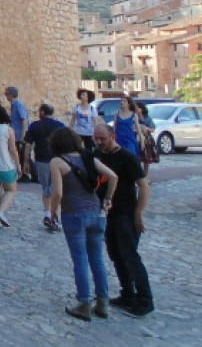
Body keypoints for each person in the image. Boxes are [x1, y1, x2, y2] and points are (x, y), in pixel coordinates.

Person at [49, 127, 119, 321]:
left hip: (74, 214)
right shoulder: (87, 157)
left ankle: (84, 302)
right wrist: (107, 199)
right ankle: (103, 302)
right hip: (96, 212)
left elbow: (58, 192)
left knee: (80, 259)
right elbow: (113, 176)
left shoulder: (57, 162)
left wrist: (52, 211)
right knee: (97, 258)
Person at [93, 123, 154, 317]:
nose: (99, 141)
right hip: (108, 213)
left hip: (125, 213)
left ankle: (145, 299)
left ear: (112, 136)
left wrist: (138, 213)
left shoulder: (126, 157)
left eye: (102, 138)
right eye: (97, 138)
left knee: (130, 256)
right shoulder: (98, 154)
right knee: (115, 254)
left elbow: (144, 186)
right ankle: (127, 293)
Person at [24, 103, 66, 230]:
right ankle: (55, 215)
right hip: (57, 160)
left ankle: (48, 214)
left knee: (45, 188)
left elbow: (28, 145)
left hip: (41, 160)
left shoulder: (34, 126)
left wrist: (26, 161)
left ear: (42, 112)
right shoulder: (59, 126)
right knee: (56, 189)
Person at [5, 86, 31, 182]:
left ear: (11, 94)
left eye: (6, 94)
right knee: (20, 154)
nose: (6, 96)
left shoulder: (18, 104)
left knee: (22, 154)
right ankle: (24, 174)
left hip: (19, 134)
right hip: (16, 133)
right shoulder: (13, 104)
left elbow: (24, 119)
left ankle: (25, 175)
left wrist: (23, 135)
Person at [136, 102, 158, 176]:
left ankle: (145, 175)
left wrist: (146, 128)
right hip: (136, 138)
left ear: (141, 109)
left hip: (146, 139)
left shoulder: (147, 118)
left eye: (138, 107)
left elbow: (153, 128)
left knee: (146, 158)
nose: (136, 109)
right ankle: (138, 175)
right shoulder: (134, 117)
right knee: (137, 158)